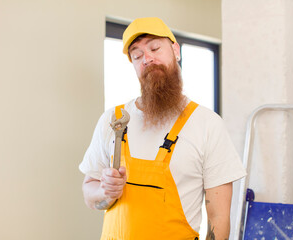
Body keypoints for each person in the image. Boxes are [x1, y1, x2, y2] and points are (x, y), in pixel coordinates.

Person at [79, 17, 246, 240]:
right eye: (137, 56)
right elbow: (90, 195)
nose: (147, 58)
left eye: (155, 48)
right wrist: (104, 191)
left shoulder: (207, 124)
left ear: (176, 50)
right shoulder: (113, 120)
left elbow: (219, 218)